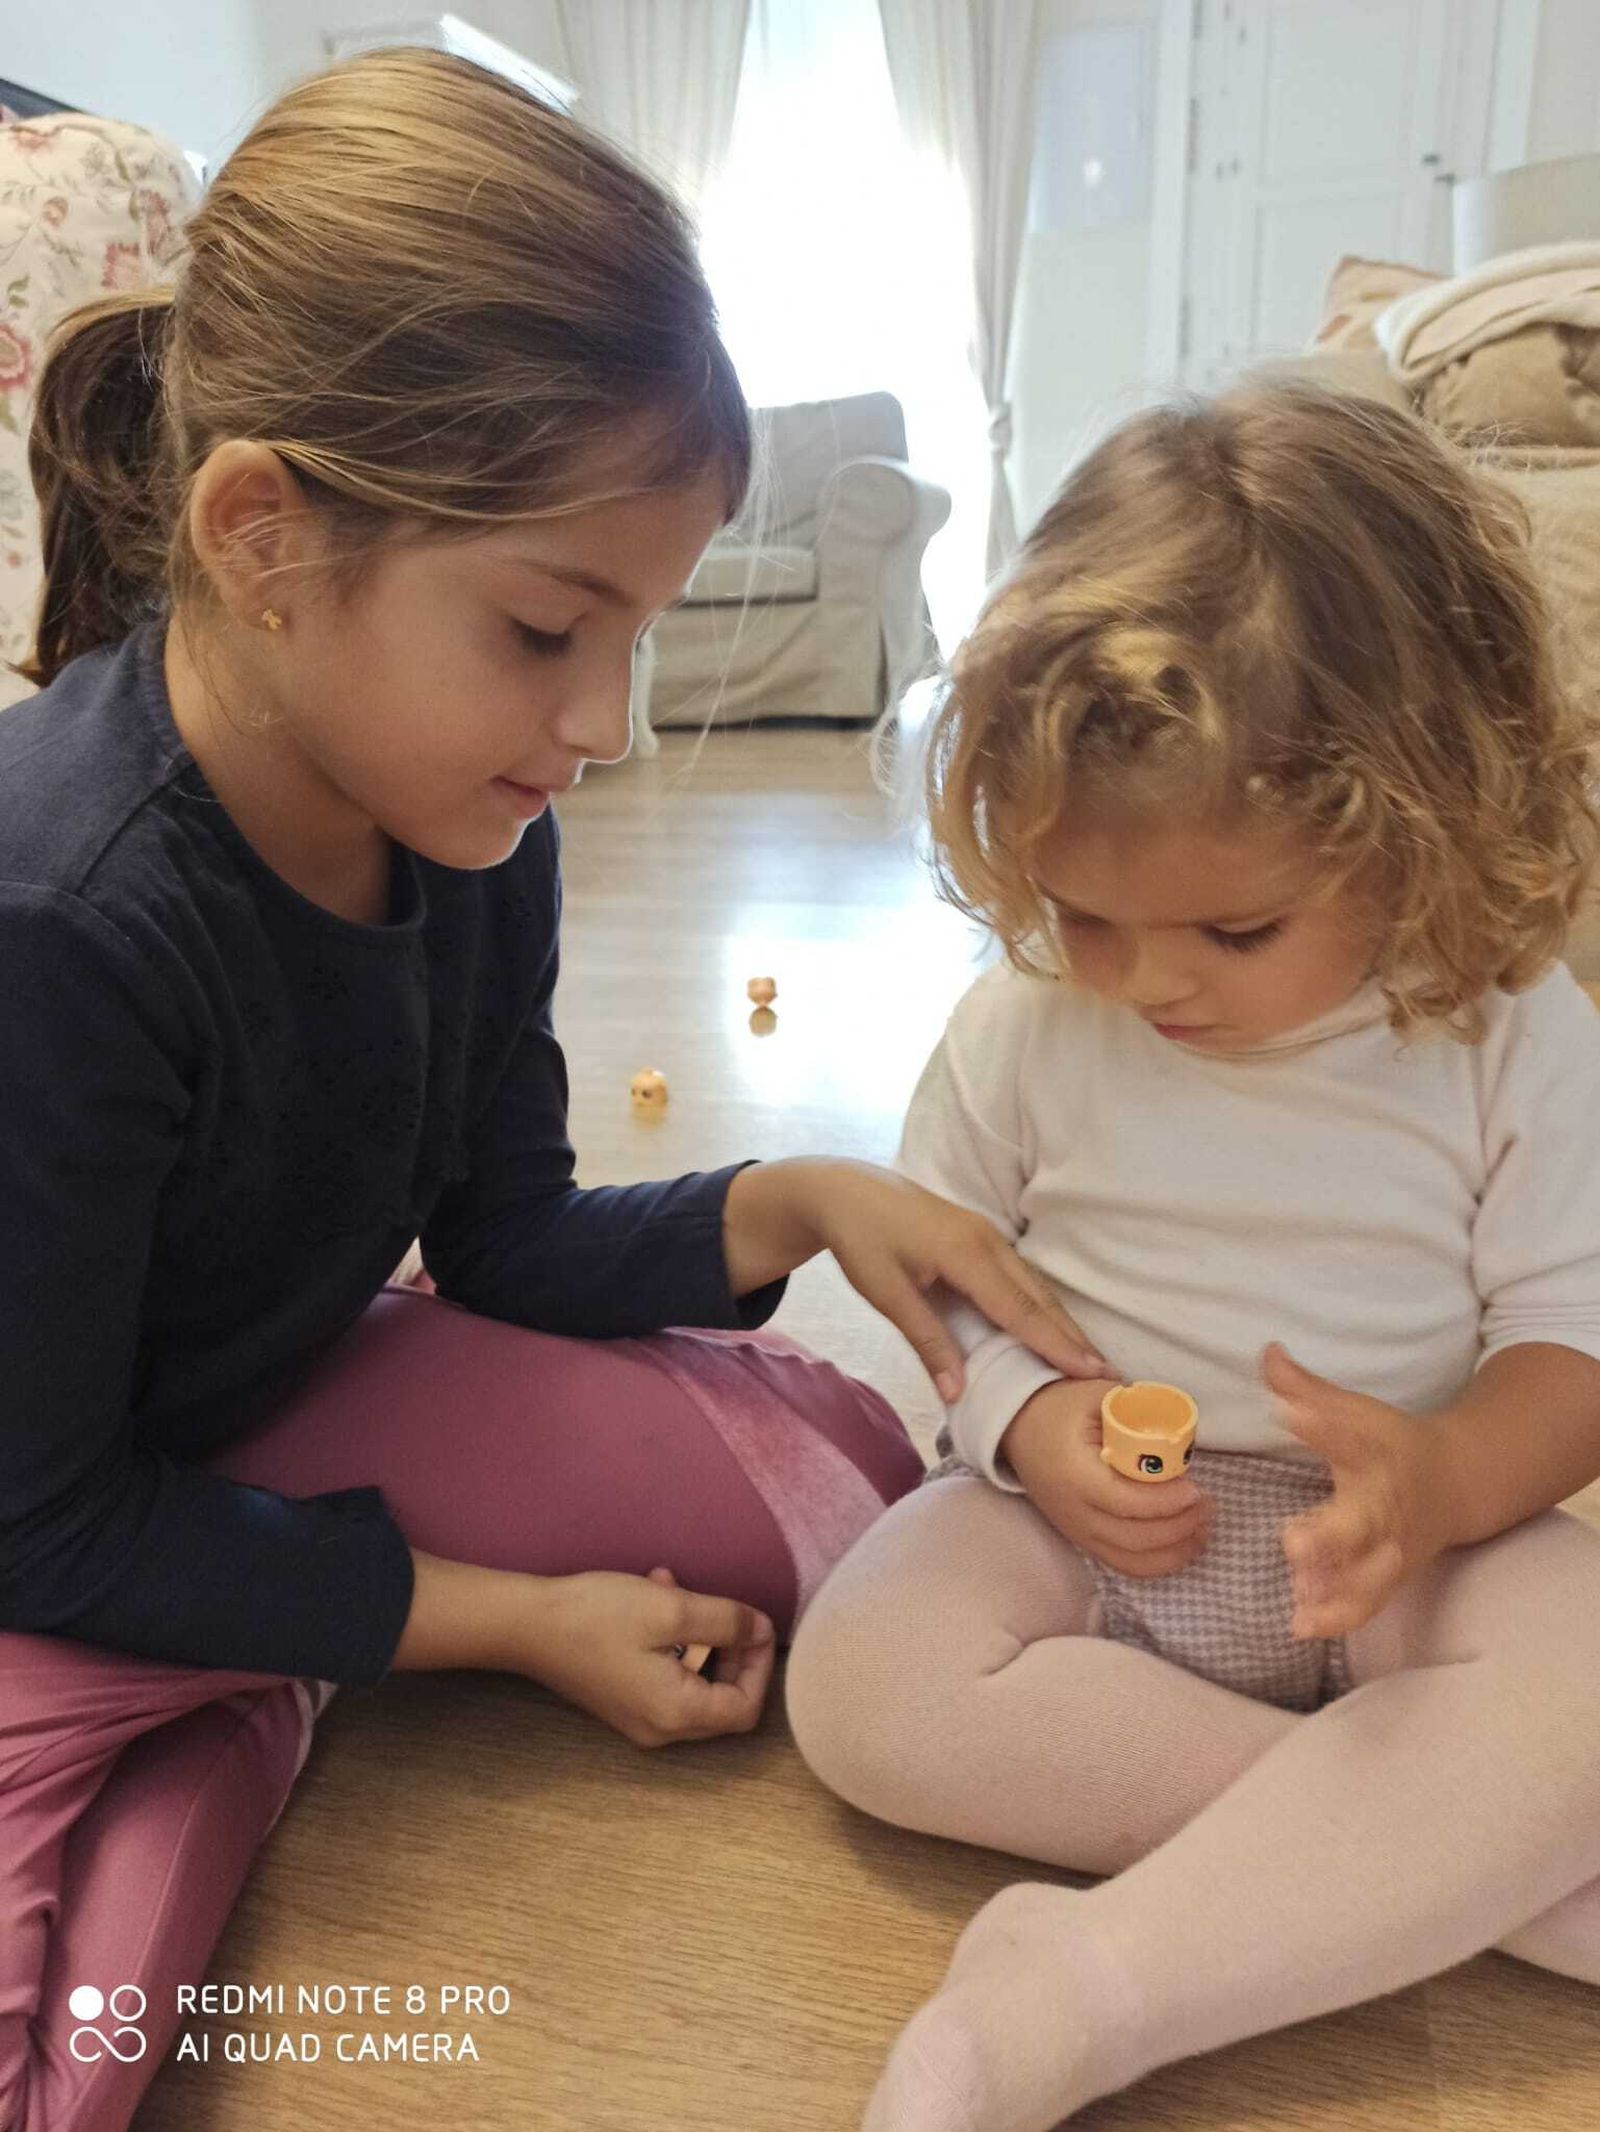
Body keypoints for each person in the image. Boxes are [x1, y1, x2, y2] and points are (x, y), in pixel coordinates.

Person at [0, 49, 1104, 2132]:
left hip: (249, 1391)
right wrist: (509, 1625)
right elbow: (38, 1511)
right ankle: (251, 1667)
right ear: (261, 535)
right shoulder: (65, 922)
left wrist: (788, 1203)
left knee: (844, 1498)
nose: (599, 724)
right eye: (540, 630)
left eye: (640, 635)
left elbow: (496, 1233)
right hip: (37, 1505)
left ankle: (257, 1652)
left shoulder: (472, 820)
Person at [784, 380, 1600, 2132]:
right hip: (1077, 1537)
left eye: (1236, 927)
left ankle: (1088, 1987)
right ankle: (1430, 1855)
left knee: (1586, 1675)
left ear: (1420, 827)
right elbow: (941, 1276)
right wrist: (1022, 1429)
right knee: (858, 1684)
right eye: (1084, 913)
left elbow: (1572, 1345)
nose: (1147, 981)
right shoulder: (1026, 1023)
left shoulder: (1508, 1028)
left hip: (1392, 1556)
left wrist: (1447, 1478)